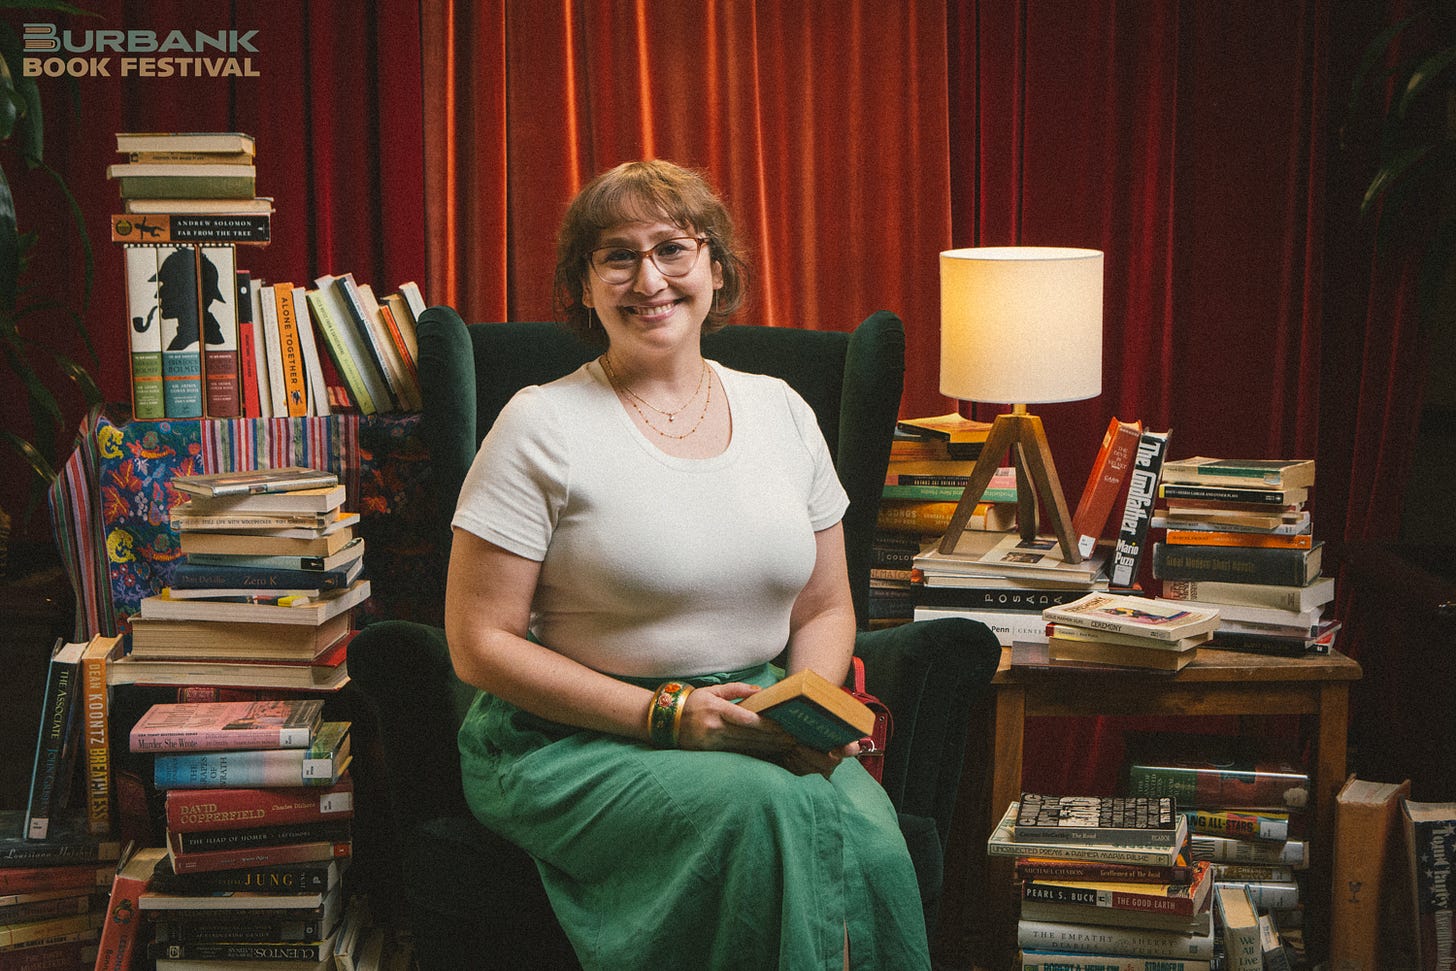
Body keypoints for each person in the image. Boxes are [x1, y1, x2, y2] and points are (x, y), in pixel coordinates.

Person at [445, 159, 931, 969]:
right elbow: (478, 643)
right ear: (585, 284)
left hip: (752, 713)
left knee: (874, 846)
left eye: (672, 248)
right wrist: (670, 716)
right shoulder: (539, 424)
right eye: (618, 256)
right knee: (766, 814)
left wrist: (797, 714)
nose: (650, 280)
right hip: (573, 737)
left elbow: (824, 606)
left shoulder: (784, 411)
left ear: (715, 267)